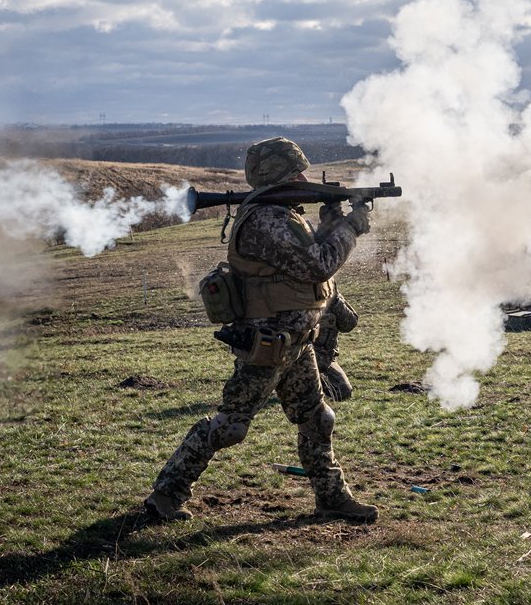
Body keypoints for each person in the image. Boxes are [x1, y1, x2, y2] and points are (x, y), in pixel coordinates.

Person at [144, 137, 376, 523]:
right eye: (296, 170)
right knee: (231, 426)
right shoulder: (266, 220)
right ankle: (166, 495)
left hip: (296, 343)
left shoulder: (283, 215)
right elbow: (318, 265)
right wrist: (350, 227)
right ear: (277, 174)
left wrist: (332, 221)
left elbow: (305, 261)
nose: (304, 176)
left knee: (318, 420)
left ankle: (332, 498)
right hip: (268, 344)